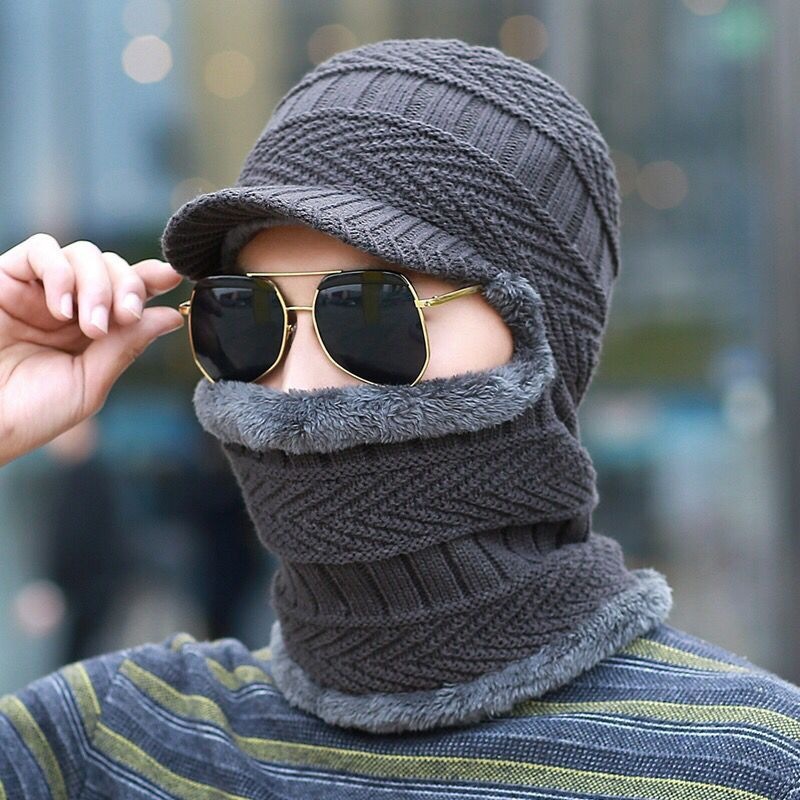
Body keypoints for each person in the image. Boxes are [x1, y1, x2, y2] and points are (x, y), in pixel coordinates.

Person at [1, 36, 799, 799]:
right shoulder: (110, 741)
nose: (295, 387)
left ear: (540, 340)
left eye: (372, 311)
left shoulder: (750, 765)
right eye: (245, 317)